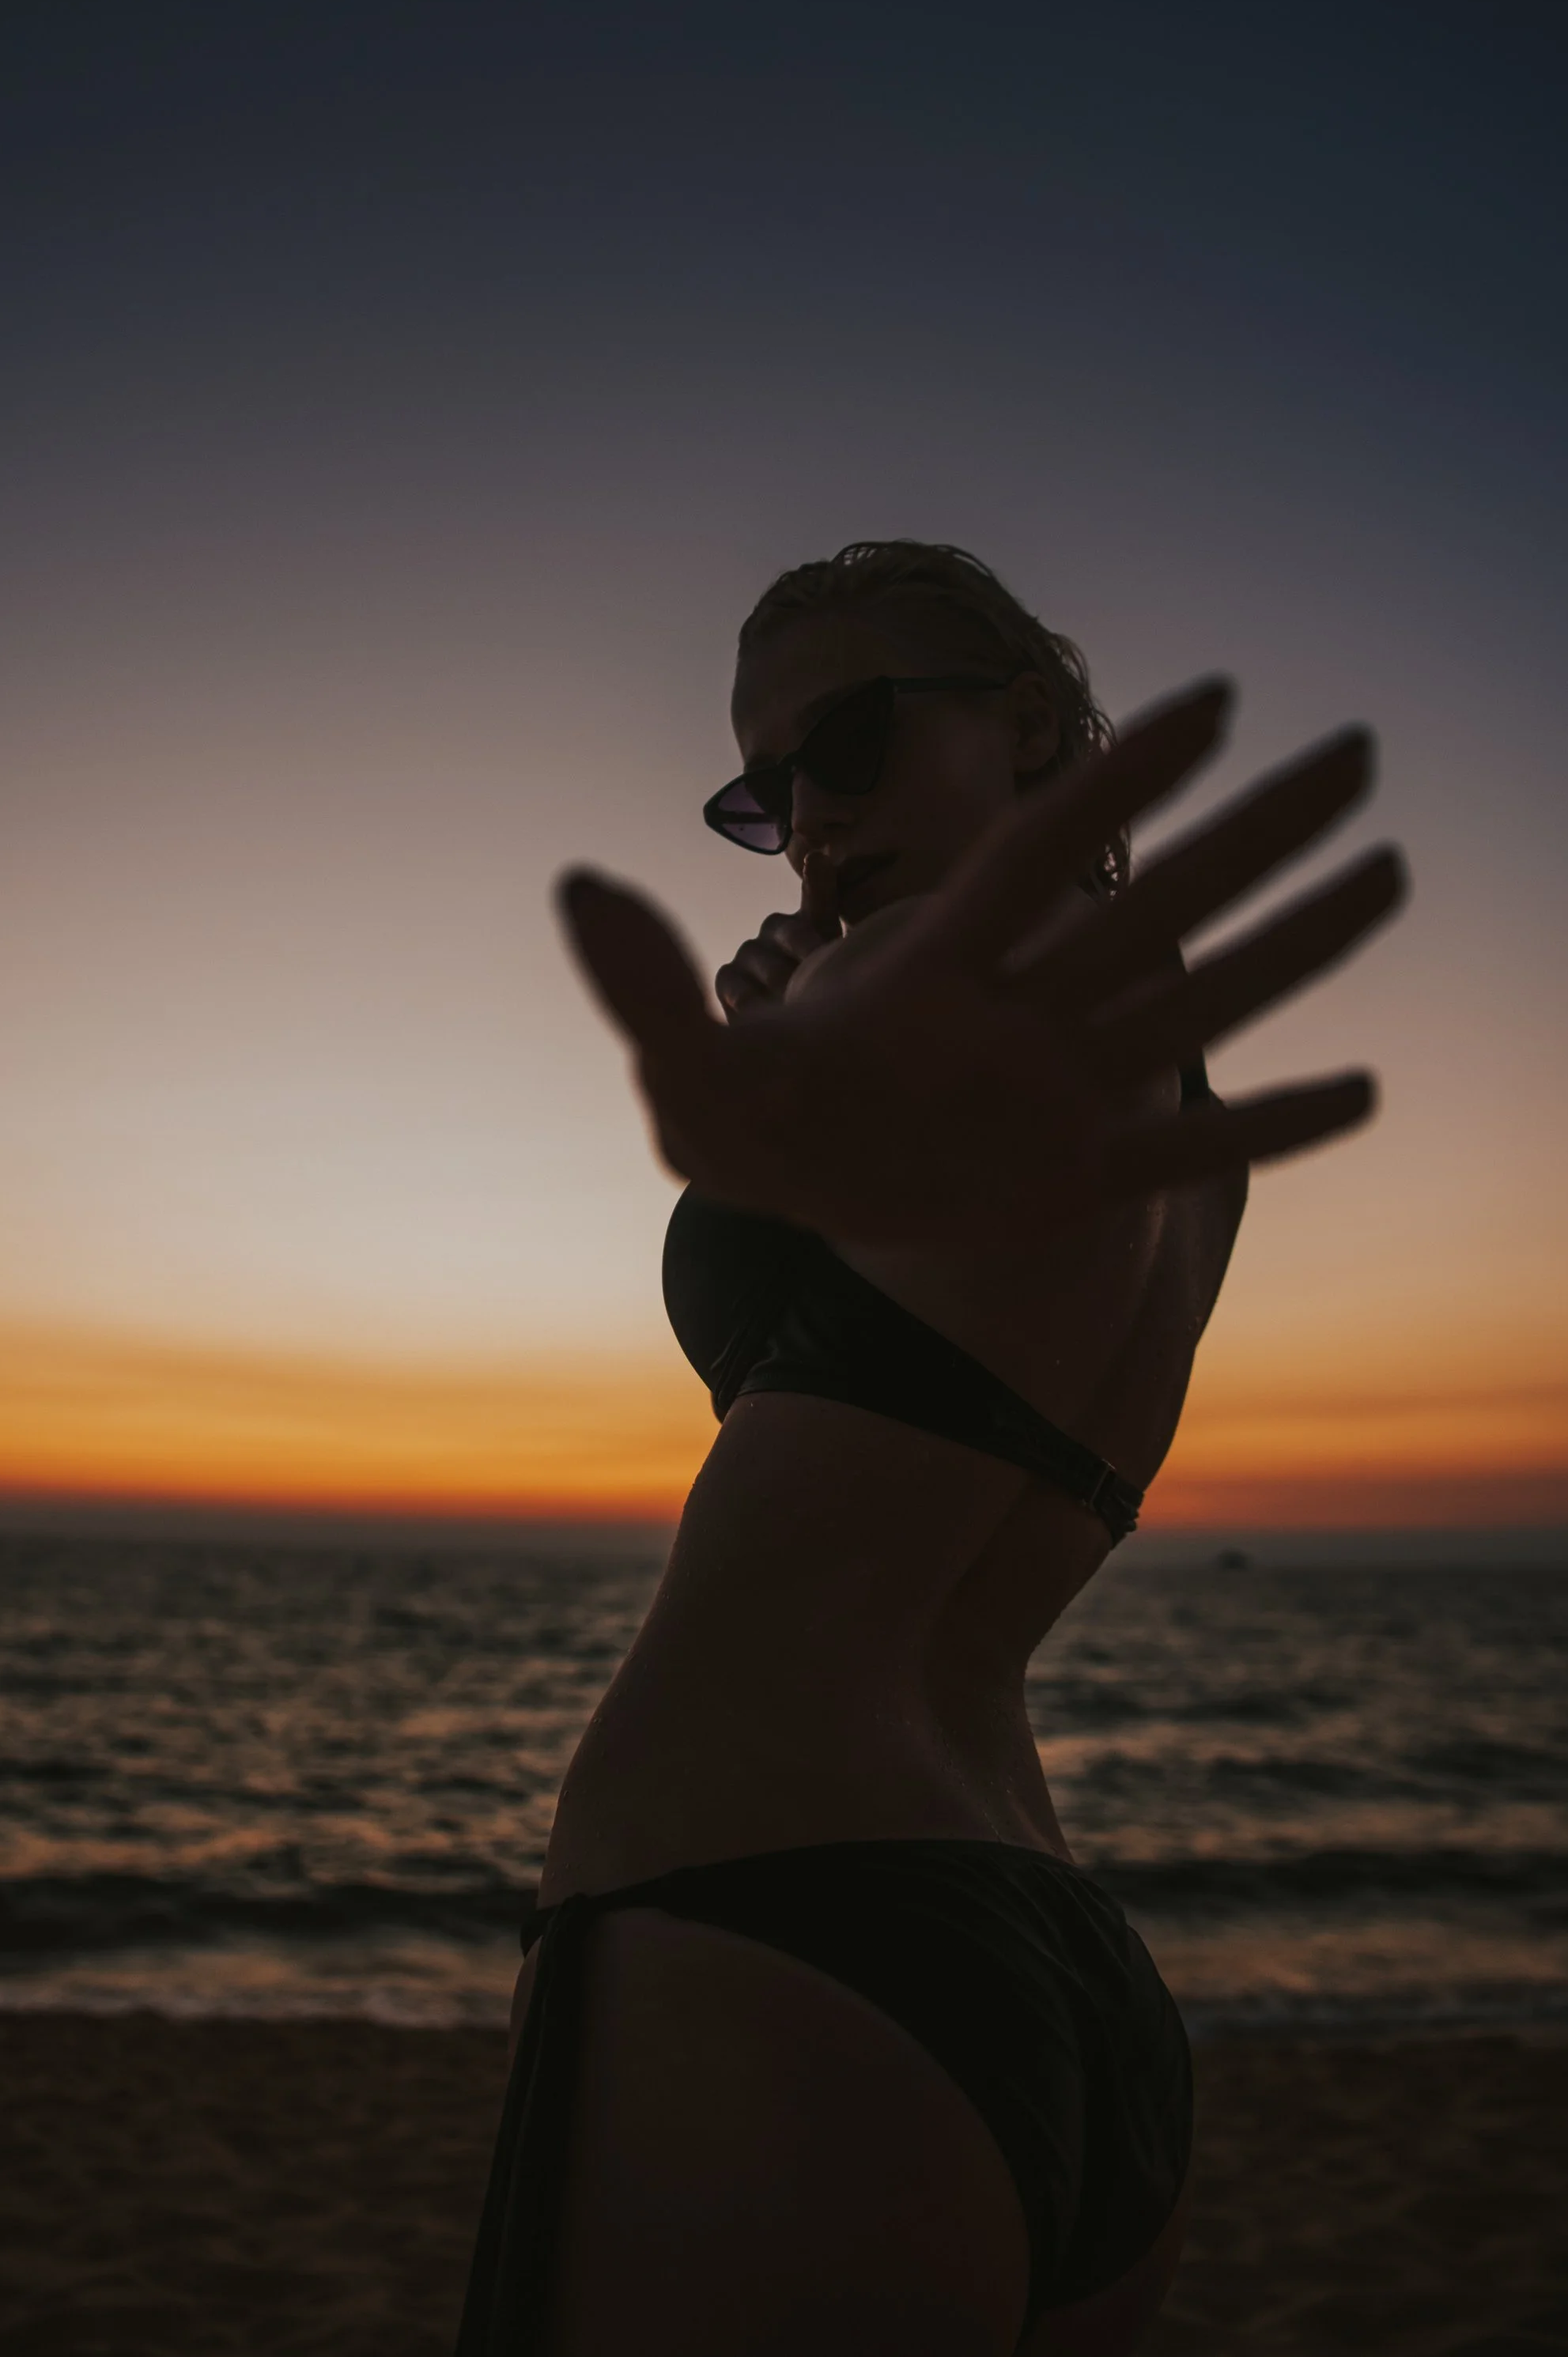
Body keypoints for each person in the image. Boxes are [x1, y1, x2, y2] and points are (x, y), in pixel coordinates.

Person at [455, 540, 1405, 2357]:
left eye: (853, 740)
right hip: (1057, 1953)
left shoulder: (901, 979)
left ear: (1028, 727)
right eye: (763, 793)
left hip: (762, 1894)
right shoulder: (1186, 1125)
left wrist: (778, 1018)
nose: (810, 815)